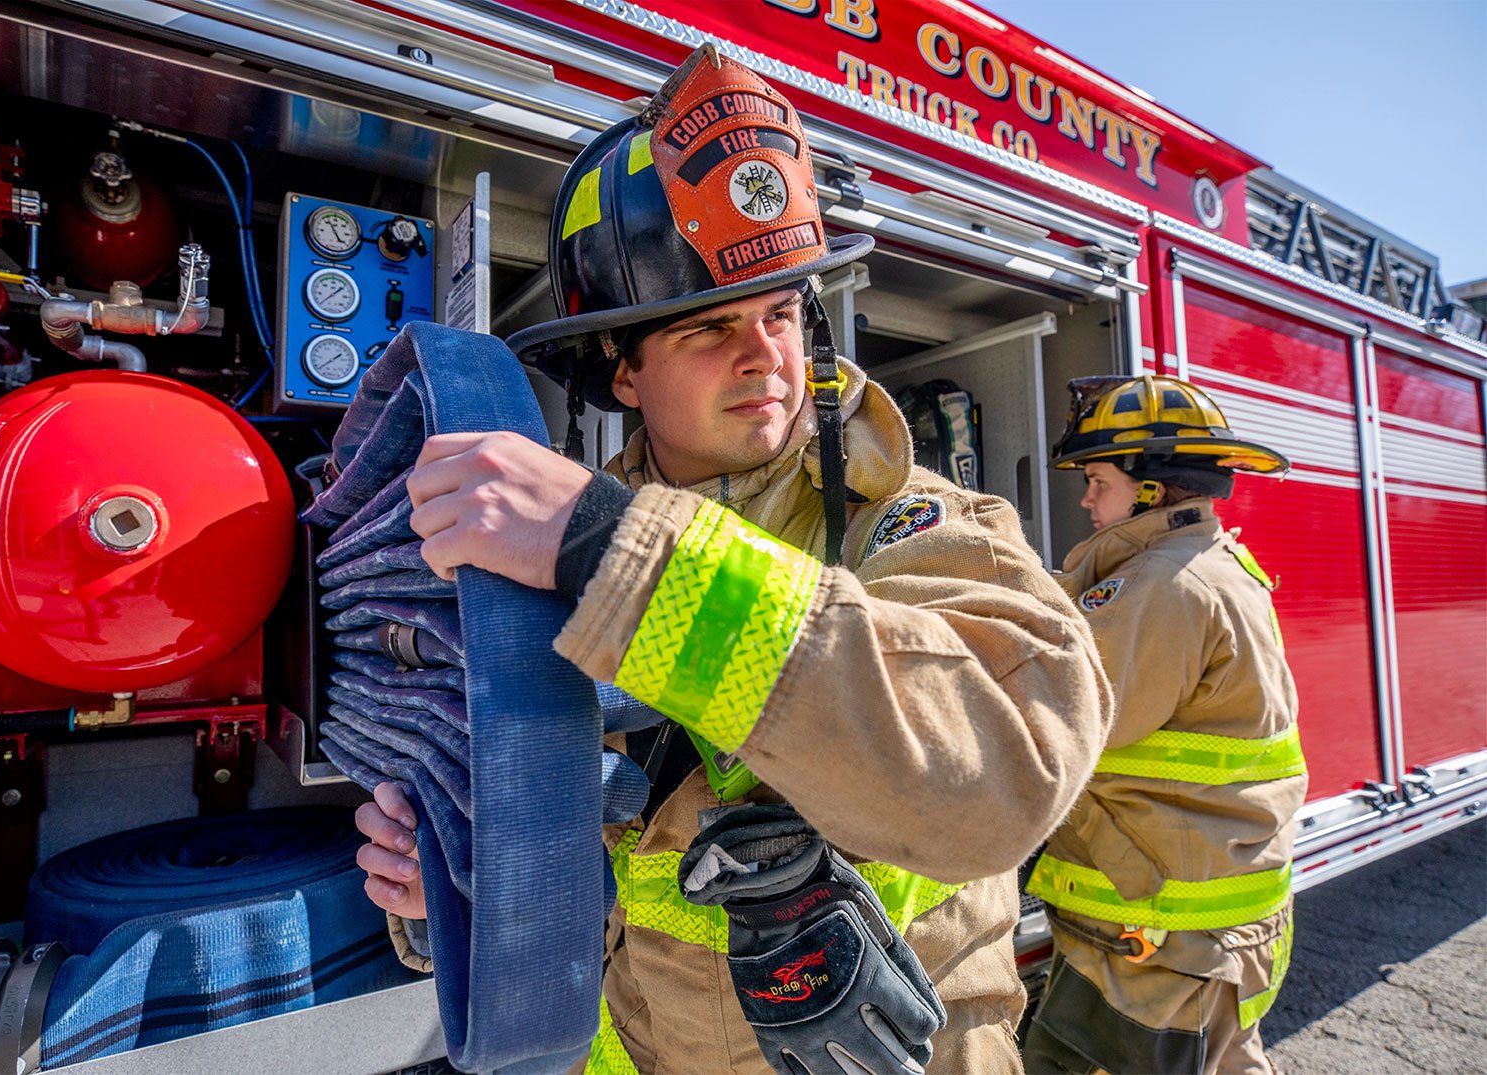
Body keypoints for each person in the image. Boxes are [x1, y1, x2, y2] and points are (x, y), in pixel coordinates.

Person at [354, 44, 1111, 1073]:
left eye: (782, 312)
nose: (767, 354)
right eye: (711, 327)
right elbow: (588, 859)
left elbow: (1003, 772)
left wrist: (606, 546)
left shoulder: (915, 524)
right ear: (620, 370)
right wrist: (455, 883)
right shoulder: (550, 569)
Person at [1021, 375, 1306, 1075]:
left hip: (1154, 926)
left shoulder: (1160, 587)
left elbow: (1062, 721)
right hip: (1201, 919)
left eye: (1098, 481)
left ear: (1154, 487)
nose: (1086, 499)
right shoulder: (1215, 566)